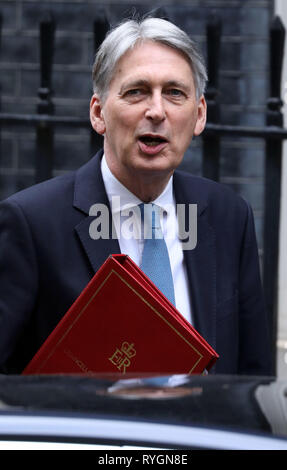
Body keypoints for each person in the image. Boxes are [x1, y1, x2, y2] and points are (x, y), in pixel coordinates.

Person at [0, 17, 271, 375]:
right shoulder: (31, 223)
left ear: (199, 115)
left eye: (175, 93)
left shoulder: (229, 216)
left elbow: (254, 376)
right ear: (98, 113)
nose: (156, 111)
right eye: (136, 91)